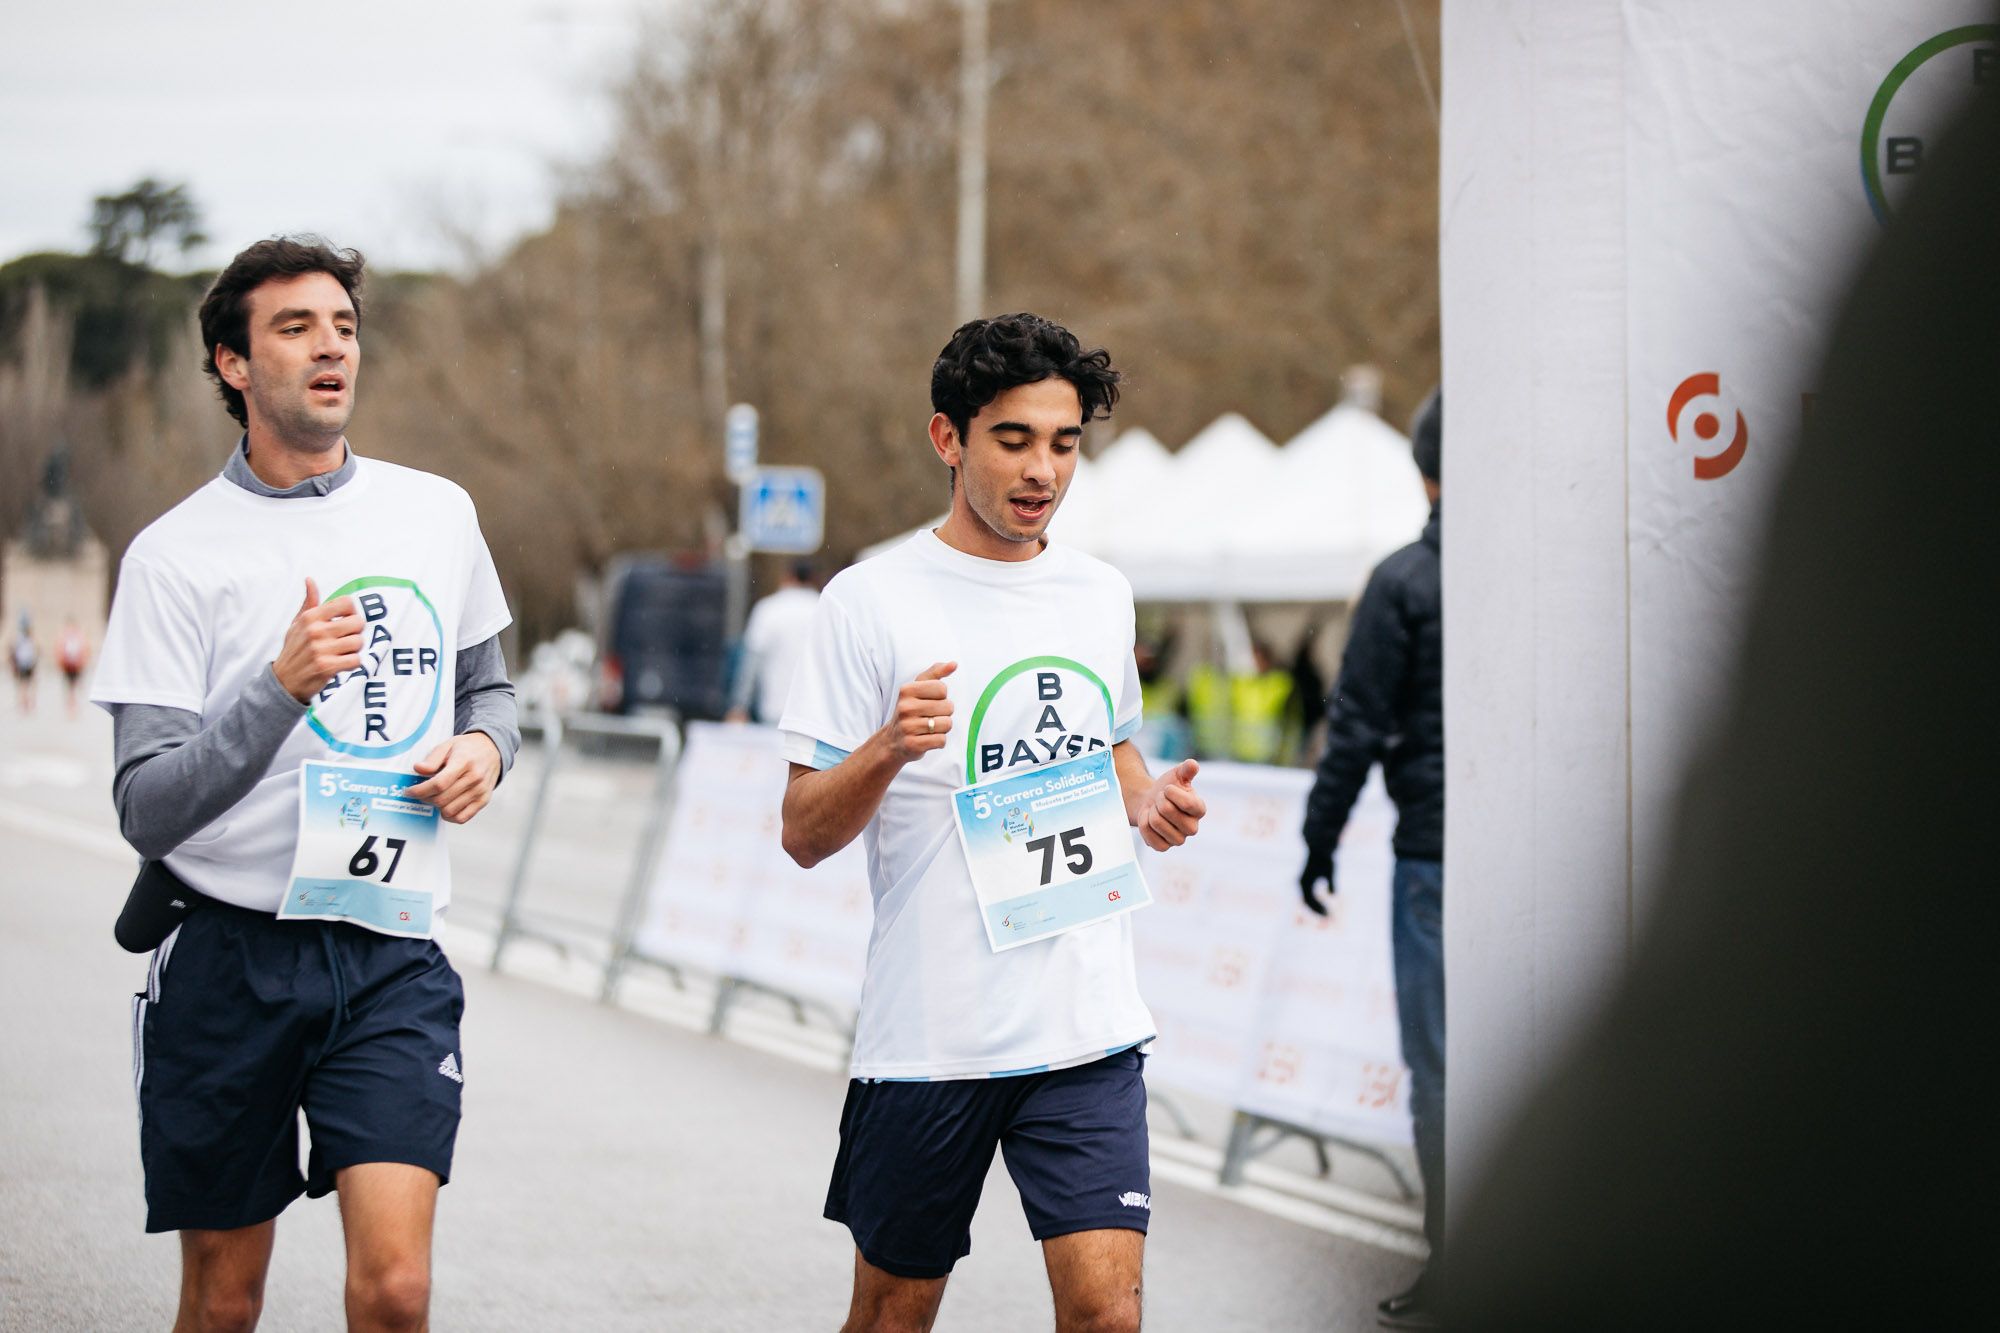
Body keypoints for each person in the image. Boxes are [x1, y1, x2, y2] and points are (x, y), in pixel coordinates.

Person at [89, 235, 518, 1333]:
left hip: (385, 949)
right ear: (234, 365)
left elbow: (492, 692)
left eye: (343, 325)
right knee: (225, 1303)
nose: (331, 347)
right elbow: (147, 804)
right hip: (227, 955)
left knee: (395, 1290)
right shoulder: (176, 555)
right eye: (295, 328)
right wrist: (278, 686)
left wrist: (485, 753)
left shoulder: (436, 512)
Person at [778, 313, 1206, 1333]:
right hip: (934, 1037)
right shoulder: (866, 601)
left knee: (1107, 1314)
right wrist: (886, 746)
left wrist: (1142, 797)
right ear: (948, 439)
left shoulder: (1099, 594)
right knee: (891, 1317)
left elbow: (1110, 744)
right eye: (1013, 439)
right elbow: (800, 829)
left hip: (1085, 1025)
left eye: (1062, 444)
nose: (1041, 470)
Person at [1300, 387, 1443, 1329]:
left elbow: (1354, 725)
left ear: (1424, 469)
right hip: (1552, 854)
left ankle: (1463, 1252)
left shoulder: (1403, 581)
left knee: (1442, 1064)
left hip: (1435, 851)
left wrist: (1320, 838)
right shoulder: (1549, 566)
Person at [725, 558, 820, 723]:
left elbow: (751, 662)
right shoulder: (824, 608)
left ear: (788, 577)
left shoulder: (768, 609)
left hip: (775, 707)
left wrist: (739, 705)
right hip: (816, 713)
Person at [56, 616, 88, 716]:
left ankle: (73, 706)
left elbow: (85, 650)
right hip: (69, 665)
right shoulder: (74, 636)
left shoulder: (69, 636)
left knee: (73, 687)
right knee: (71, 687)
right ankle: (72, 707)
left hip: (75, 665)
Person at [10, 612, 35, 714]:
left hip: (24, 663)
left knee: (24, 685)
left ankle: (24, 703)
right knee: (25, 685)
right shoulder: (27, 638)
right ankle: (25, 703)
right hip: (26, 663)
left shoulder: (20, 638)